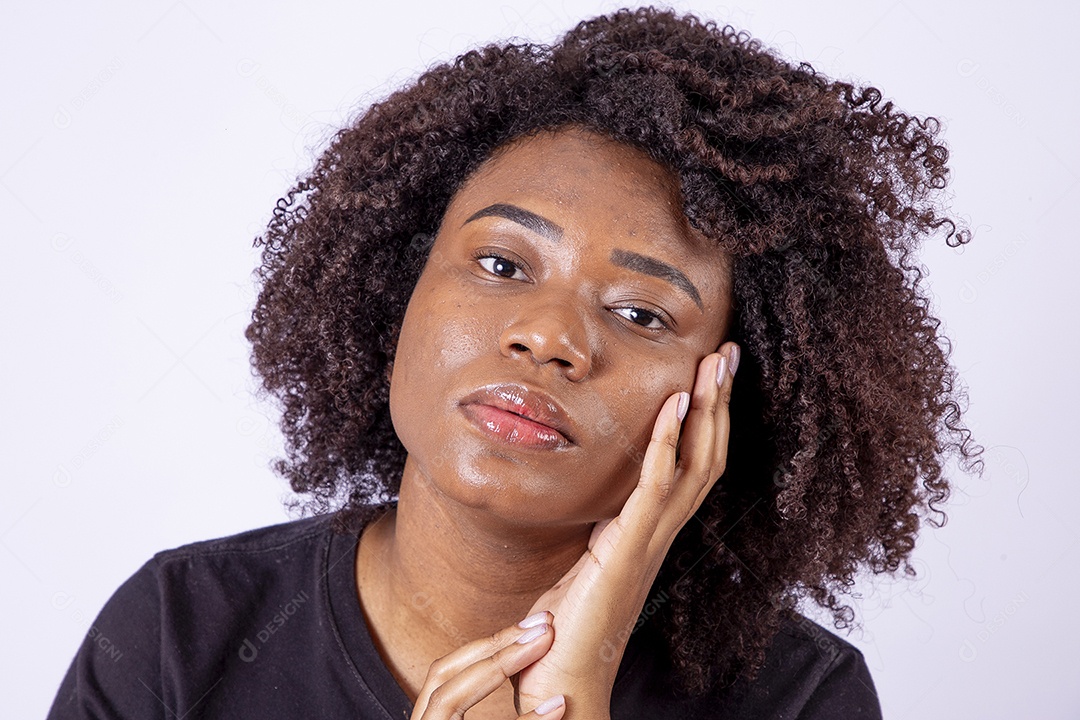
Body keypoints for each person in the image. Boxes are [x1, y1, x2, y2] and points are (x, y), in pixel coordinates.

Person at [47, 7, 980, 719]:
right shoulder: (182, 632)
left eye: (642, 312)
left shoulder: (796, 699)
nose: (550, 338)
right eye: (501, 265)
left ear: (730, 396)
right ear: (395, 290)